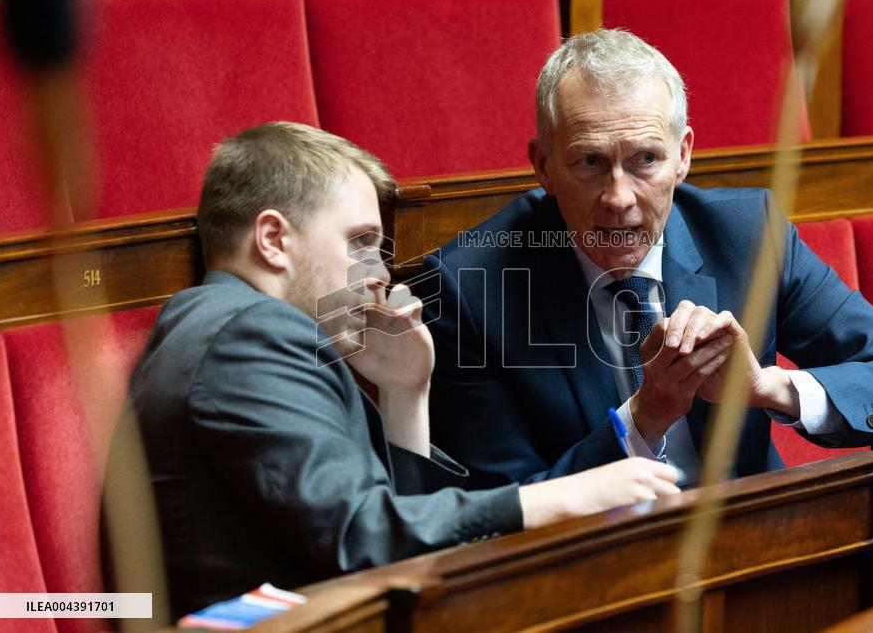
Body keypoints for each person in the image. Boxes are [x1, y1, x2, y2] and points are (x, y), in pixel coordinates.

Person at [129, 122, 681, 617]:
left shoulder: (226, 325)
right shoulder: (251, 336)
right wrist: (559, 498)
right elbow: (363, 537)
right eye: (362, 243)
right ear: (274, 240)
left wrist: (404, 393)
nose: (381, 273)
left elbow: (393, 535)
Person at [419, 29, 873, 489]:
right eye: (589, 161)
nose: (619, 197)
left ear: (683, 156)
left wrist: (767, 388)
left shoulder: (750, 236)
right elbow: (501, 516)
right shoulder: (469, 288)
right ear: (542, 166)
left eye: (645, 160)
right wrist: (642, 419)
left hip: (757, 559)